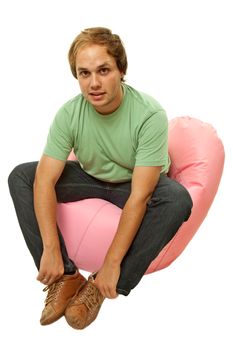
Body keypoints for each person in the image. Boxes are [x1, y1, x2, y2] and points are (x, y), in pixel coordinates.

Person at [8, 27, 193, 330]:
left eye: (103, 70)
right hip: (91, 177)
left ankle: (101, 286)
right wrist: (51, 249)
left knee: (178, 199)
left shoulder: (149, 114)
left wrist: (111, 264)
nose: (93, 83)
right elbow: (43, 180)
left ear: (121, 70)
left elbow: (140, 197)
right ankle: (66, 277)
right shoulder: (69, 113)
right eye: (84, 73)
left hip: (136, 184)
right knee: (22, 176)